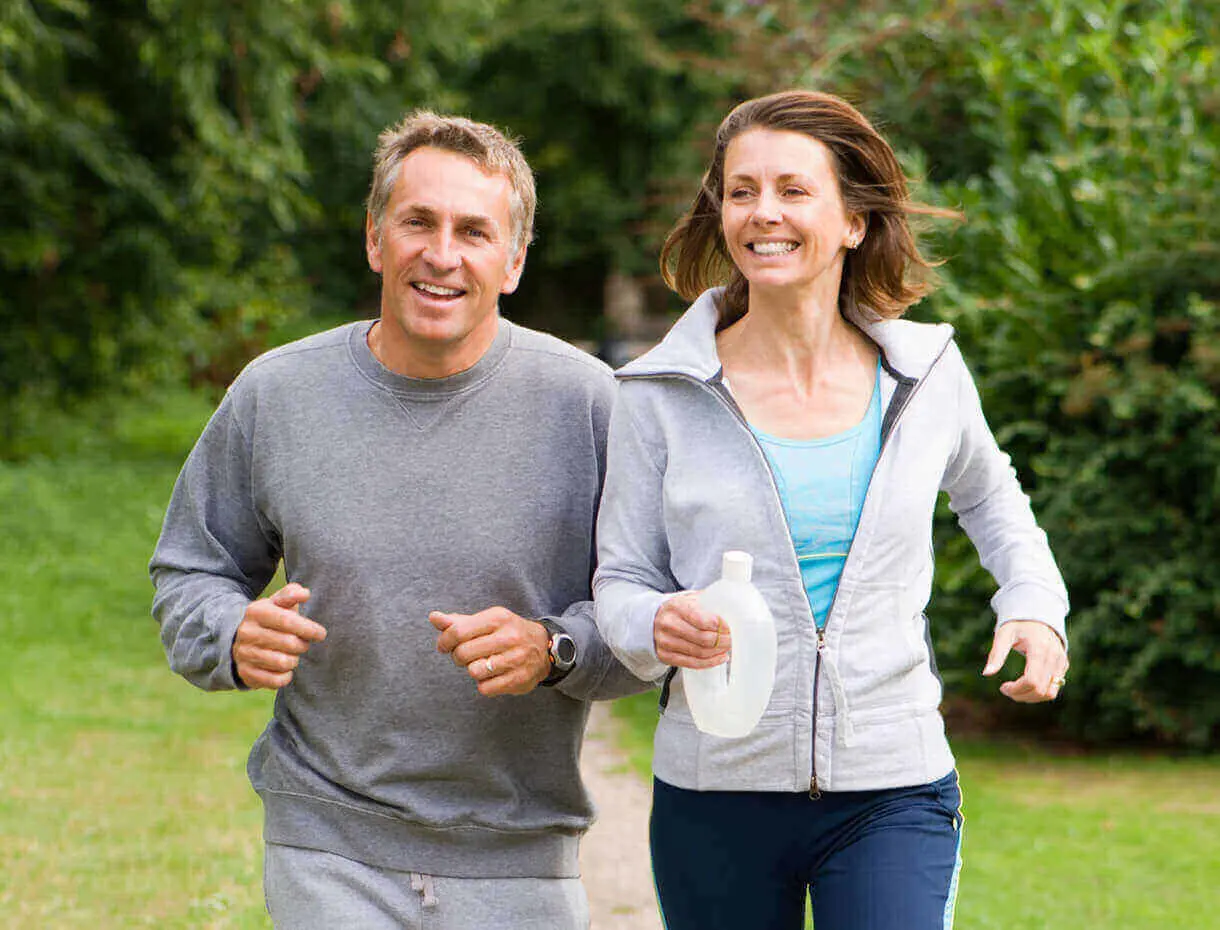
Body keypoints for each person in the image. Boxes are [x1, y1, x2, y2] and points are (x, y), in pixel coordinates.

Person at [150, 111, 647, 930]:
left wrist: (553, 648)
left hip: (520, 852)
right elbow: (190, 568)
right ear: (375, 238)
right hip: (326, 842)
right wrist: (228, 632)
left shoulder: (590, 405)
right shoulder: (277, 395)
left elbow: (650, 621)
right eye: (418, 222)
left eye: (473, 231)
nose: (441, 254)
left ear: (514, 261)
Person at [593, 90, 1070, 930]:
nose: (763, 213)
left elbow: (993, 498)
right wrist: (654, 623)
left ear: (853, 220)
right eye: (741, 192)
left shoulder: (925, 374)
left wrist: (1034, 607)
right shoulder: (657, 394)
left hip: (893, 783)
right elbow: (622, 578)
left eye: (792, 190)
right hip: (715, 789)